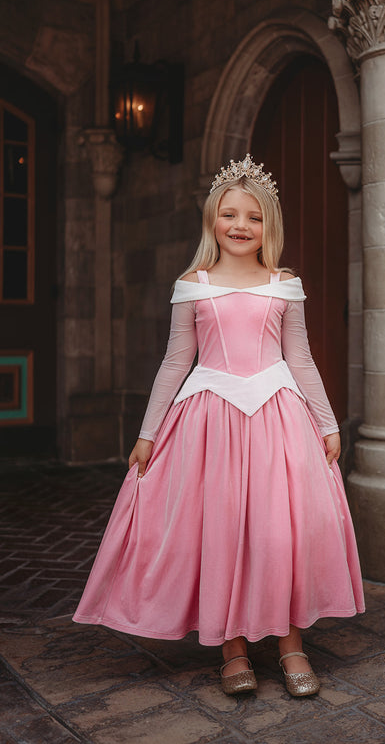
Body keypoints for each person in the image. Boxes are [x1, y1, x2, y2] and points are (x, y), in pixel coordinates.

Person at [73, 154, 365, 697]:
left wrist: (327, 422)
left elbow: (300, 359)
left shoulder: (284, 284)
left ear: (269, 225)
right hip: (209, 423)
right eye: (229, 214)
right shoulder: (194, 284)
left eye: (254, 217)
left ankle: (291, 644)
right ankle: (232, 649)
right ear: (212, 219)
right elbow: (174, 362)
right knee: (223, 531)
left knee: (279, 533)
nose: (240, 225)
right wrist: (147, 434)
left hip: (277, 419)